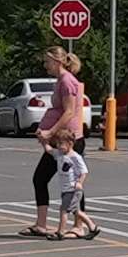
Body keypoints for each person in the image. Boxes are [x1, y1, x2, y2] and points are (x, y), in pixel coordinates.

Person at [24, 45, 90, 239]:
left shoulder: (68, 82)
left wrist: (50, 132)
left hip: (69, 140)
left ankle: (79, 226)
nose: (45, 65)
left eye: (47, 61)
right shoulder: (60, 81)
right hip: (58, 139)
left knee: (74, 183)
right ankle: (41, 224)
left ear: (57, 61)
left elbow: (69, 111)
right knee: (41, 178)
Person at [54, 140, 97, 240]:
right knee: (75, 211)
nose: (59, 146)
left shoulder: (75, 157)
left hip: (73, 189)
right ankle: (93, 227)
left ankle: (60, 232)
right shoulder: (60, 154)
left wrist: (79, 182)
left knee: (64, 210)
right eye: (58, 144)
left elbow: (84, 172)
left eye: (61, 144)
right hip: (65, 189)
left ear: (70, 144)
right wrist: (44, 141)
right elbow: (49, 150)